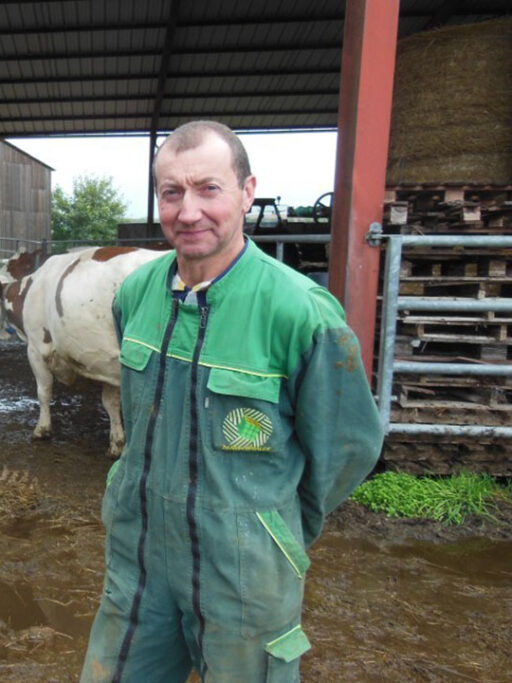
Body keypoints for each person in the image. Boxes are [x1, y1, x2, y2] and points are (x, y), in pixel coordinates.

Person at [80, 121, 384, 682]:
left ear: (246, 191)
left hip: (246, 577)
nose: (188, 211)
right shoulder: (136, 293)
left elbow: (348, 448)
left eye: (208, 188)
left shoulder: (301, 314)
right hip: (140, 560)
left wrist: (270, 527)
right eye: (172, 192)